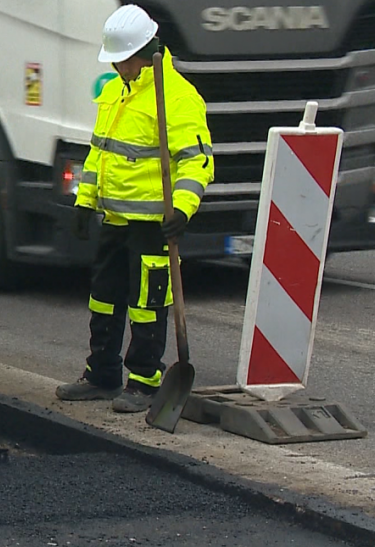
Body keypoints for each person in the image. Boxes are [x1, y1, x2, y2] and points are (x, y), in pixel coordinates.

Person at [56, 4, 214, 413]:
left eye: (122, 61)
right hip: (114, 218)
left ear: (144, 53)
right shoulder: (113, 91)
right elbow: (100, 153)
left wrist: (181, 208)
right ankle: (102, 374)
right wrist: (84, 202)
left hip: (151, 224)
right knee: (104, 298)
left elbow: (196, 160)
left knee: (146, 305)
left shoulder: (176, 97)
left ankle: (145, 379)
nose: (118, 68)